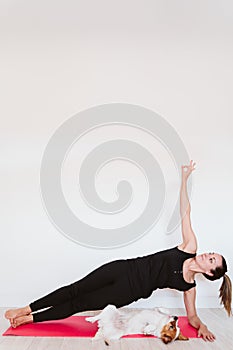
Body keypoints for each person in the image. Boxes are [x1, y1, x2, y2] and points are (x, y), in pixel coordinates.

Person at [5, 160, 232, 342]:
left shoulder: (189, 287)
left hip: (127, 292)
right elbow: (186, 212)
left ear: (210, 272)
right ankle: (25, 308)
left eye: (211, 259)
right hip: (123, 268)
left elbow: (192, 316)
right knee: (75, 288)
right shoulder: (189, 247)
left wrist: (201, 326)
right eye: (211, 253)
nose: (207, 254)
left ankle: (30, 318)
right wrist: (184, 180)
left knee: (79, 304)